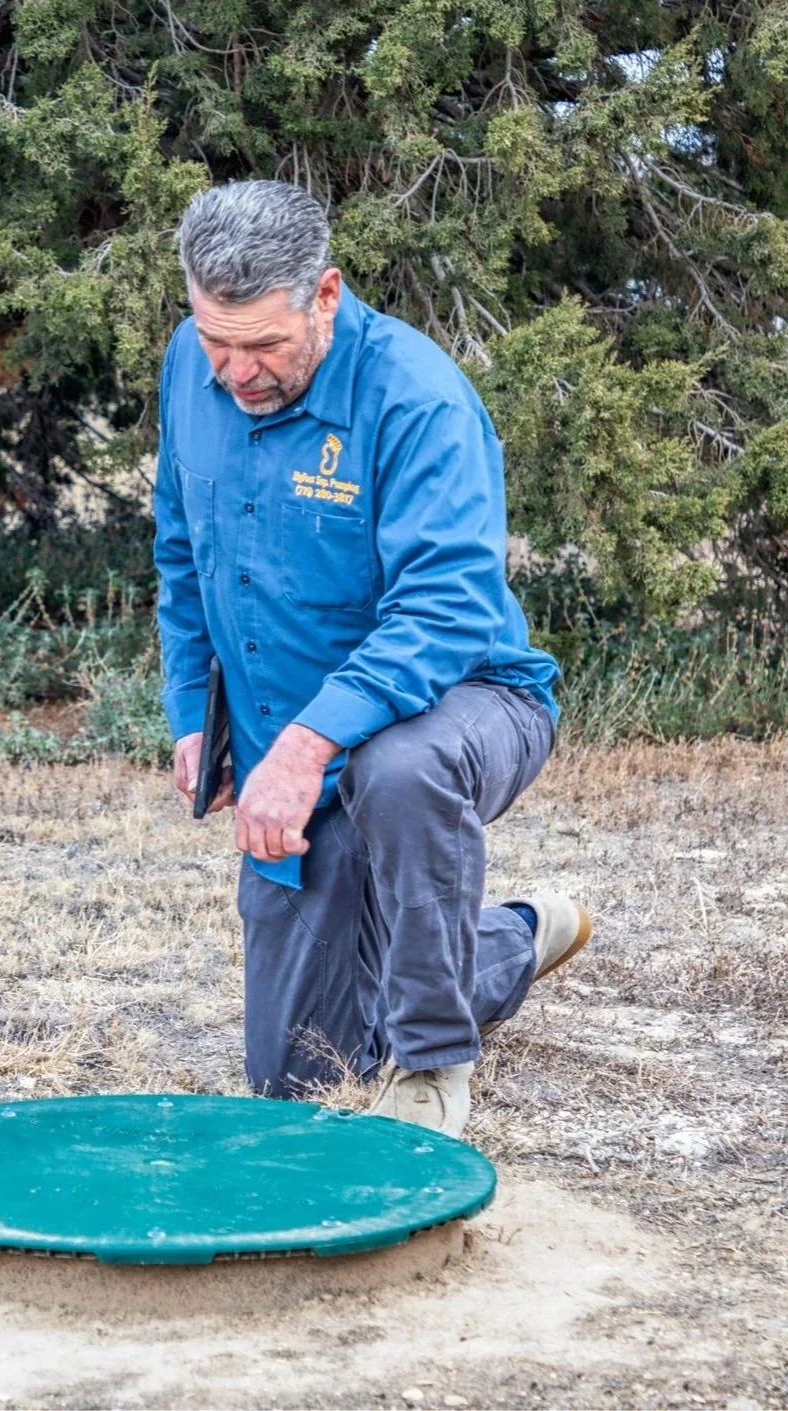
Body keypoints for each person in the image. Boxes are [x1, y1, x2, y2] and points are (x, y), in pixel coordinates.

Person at [155, 180, 593, 1140]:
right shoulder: (192, 363)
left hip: (465, 698)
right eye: (214, 338)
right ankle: (511, 937)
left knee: (400, 769)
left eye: (262, 345)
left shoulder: (418, 397)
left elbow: (442, 608)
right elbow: (181, 554)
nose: (233, 370)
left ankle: (435, 1058)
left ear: (325, 294)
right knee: (297, 1073)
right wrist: (194, 711)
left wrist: (307, 744)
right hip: (293, 741)